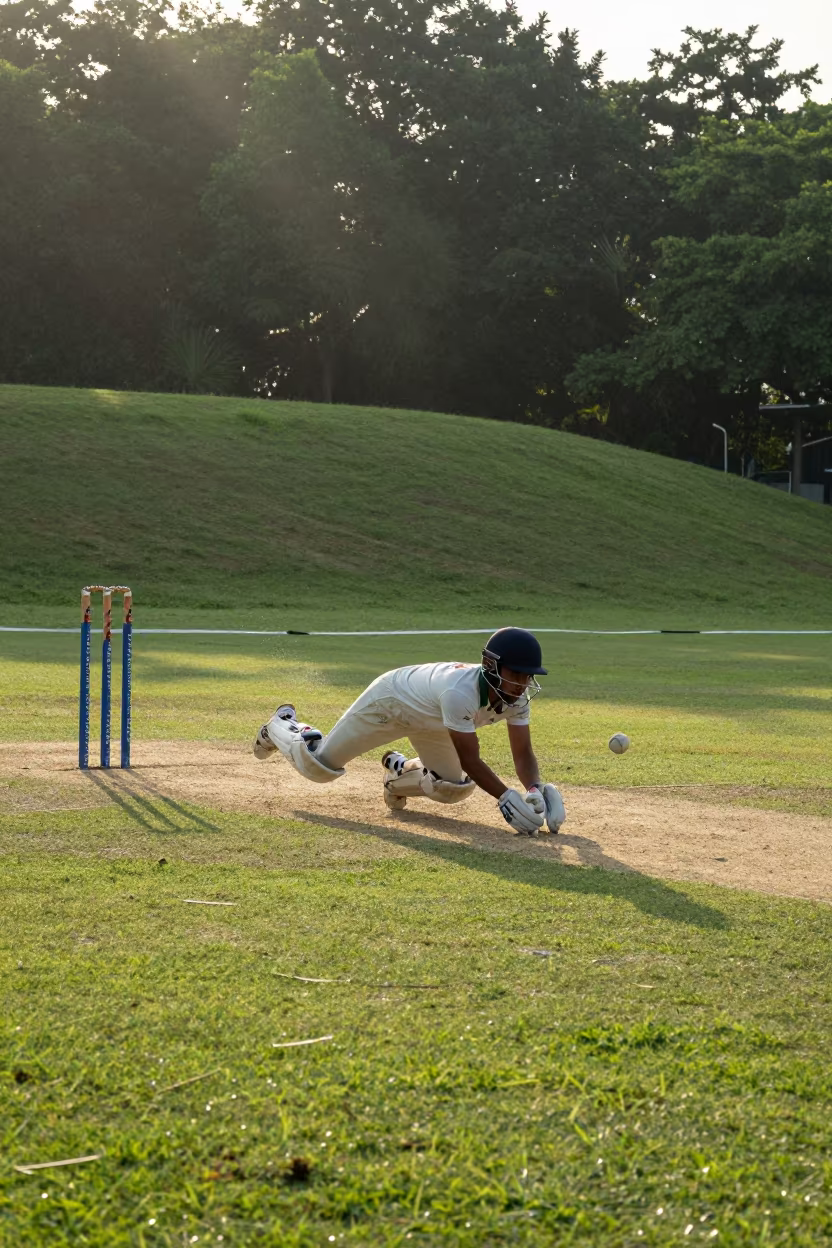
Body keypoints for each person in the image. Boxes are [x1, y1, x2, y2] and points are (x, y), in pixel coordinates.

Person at [252, 626, 565, 837]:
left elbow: (523, 753)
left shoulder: (517, 699)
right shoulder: (461, 693)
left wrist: (535, 788)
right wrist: (506, 797)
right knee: (318, 767)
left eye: (528, 677)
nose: (522, 684)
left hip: (434, 720)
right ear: (491, 666)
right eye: (516, 674)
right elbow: (472, 759)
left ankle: (397, 776)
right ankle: (281, 724)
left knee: (451, 787)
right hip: (391, 702)